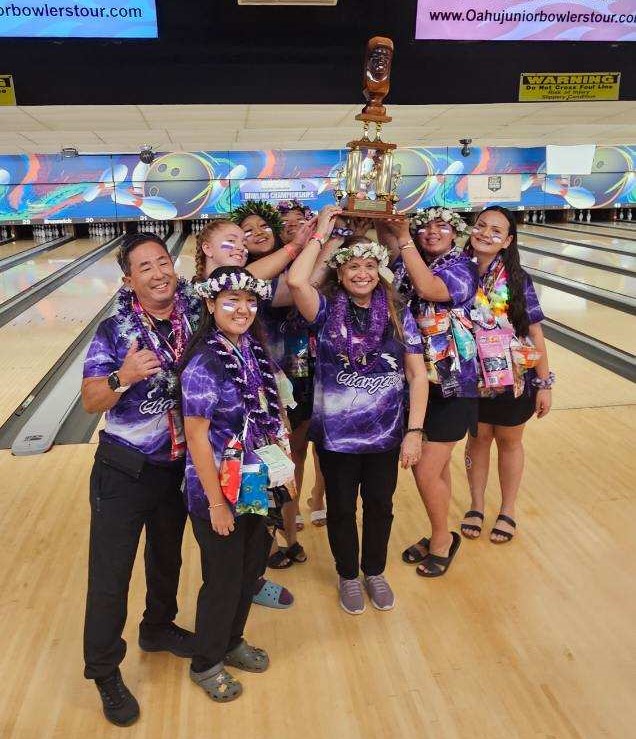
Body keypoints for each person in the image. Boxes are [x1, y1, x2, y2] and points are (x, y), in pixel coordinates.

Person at [81, 232, 199, 726]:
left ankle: (158, 627)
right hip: (123, 470)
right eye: (144, 267)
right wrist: (123, 376)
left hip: (173, 467)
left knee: (167, 558)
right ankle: (105, 671)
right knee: (111, 577)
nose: (158, 272)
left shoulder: (196, 316)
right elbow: (91, 400)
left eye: (162, 260)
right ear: (129, 280)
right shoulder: (113, 332)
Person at [288, 232, 428, 614]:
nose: (362, 273)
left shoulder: (398, 314)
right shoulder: (325, 310)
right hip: (337, 437)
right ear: (340, 271)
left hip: (386, 434)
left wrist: (414, 432)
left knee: (380, 506)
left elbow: (417, 376)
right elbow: (297, 281)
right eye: (353, 265)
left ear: (380, 269)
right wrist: (322, 234)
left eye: (369, 265)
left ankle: (375, 572)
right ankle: (348, 575)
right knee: (342, 509)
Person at [180, 266, 292, 702]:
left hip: (256, 484)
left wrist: (284, 469)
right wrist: (216, 504)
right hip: (217, 491)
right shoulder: (205, 362)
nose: (242, 309)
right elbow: (195, 436)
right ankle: (206, 661)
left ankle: (231, 641)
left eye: (249, 301)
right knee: (223, 580)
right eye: (231, 301)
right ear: (210, 304)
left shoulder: (250, 349)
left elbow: (267, 417)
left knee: (248, 573)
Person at [378, 208, 479, 578]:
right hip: (415, 382)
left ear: (456, 233)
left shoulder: (463, 268)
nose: (432, 232)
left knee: (424, 468)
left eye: (442, 226)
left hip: (452, 385)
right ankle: (439, 529)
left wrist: (405, 237)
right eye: (426, 227)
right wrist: (378, 213)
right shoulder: (409, 259)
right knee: (435, 471)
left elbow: (429, 289)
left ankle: (441, 540)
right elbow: (391, 257)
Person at [461, 206, 553, 543]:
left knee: (510, 442)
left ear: (508, 241)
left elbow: (535, 333)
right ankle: (476, 504)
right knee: (478, 439)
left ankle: (508, 509)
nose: (486, 233)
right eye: (480, 225)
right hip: (473, 377)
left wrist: (544, 383)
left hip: (513, 378)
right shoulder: (456, 272)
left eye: (496, 230)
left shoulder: (517, 279)